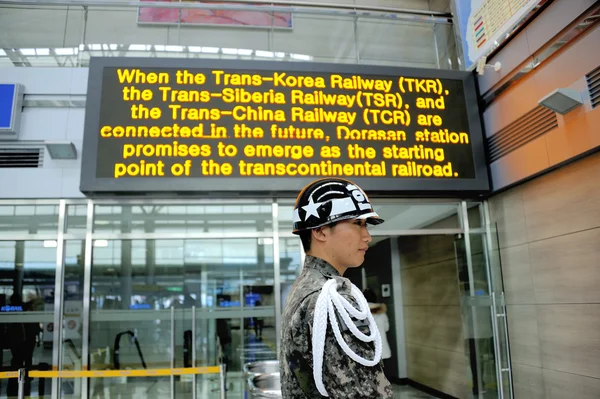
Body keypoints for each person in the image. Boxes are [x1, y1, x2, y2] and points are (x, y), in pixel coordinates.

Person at [280, 178, 392, 398]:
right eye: (357, 223)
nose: (367, 236)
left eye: (366, 225)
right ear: (321, 231)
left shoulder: (306, 287)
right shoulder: (330, 299)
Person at [362, 289, 392, 366]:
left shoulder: (360, 313)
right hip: (382, 349)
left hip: (367, 349)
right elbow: (386, 328)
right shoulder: (382, 313)